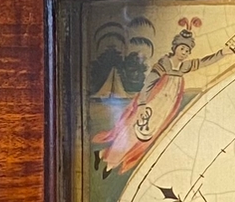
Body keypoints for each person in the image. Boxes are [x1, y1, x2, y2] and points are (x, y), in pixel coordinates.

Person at [94, 14, 227, 175]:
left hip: (164, 109)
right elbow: (149, 82)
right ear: (175, 47)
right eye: (182, 48)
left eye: (187, 50)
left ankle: (106, 158)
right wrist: (142, 104)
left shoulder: (184, 67)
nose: (184, 52)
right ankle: (109, 160)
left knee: (147, 137)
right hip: (152, 103)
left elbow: (205, 61)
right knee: (131, 131)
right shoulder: (165, 63)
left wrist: (222, 53)